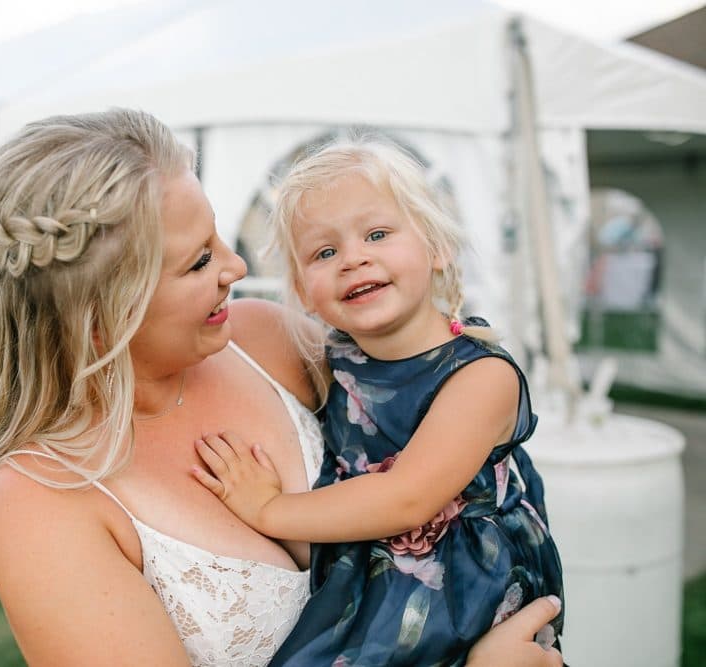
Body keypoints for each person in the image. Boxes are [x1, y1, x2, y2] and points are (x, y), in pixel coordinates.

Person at [0, 108, 564, 666]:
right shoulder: (41, 503)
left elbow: (426, 404)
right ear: (101, 314)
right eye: (198, 261)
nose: (236, 267)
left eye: (218, 237)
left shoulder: (266, 340)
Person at [192, 139, 565, 666]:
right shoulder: (336, 362)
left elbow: (408, 497)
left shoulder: (481, 375)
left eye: (377, 234)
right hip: (371, 573)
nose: (353, 258)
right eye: (325, 252)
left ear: (438, 248)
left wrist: (269, 508)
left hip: (462, 588)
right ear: (303, 287)